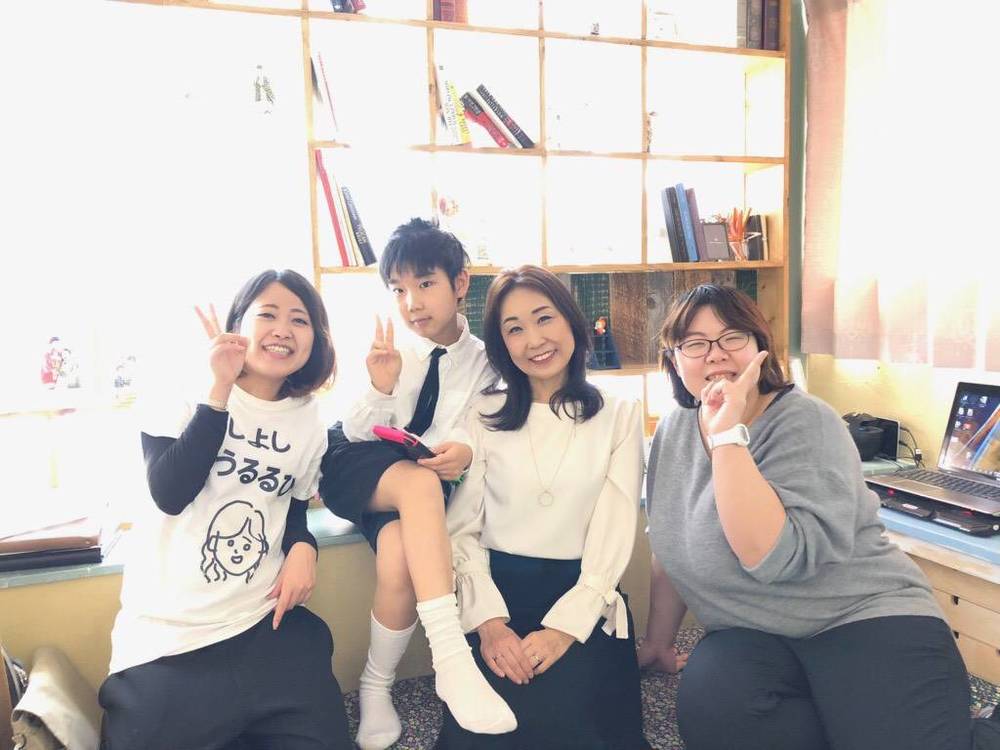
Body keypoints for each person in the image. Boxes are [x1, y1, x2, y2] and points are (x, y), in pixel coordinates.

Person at [641, 283, 1000, 750]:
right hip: (751, 636)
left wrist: (727, 436)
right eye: (694, 343)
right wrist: (658, 643)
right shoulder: (674, 429)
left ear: (760, 348)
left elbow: (773, 558)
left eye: (732, 336)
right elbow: (670, 545)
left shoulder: (806, 420)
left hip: (860, 616)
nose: (715, 353)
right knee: (717, 720)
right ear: (674, 361)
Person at [100, 269, 352, 750]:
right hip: (168, 638)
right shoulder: (179, 388)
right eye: (268, 315)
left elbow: (292, 505)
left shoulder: (308, 418)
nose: (283, 330)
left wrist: (304, 546)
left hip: (261, 624)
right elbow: (170, 492)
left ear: (316, 339)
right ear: (238, 324)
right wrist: (217, 391)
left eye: (299, 320)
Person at [319, 218, 515, 749]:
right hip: (356, 463)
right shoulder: (389, 349)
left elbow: (484, 428)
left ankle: (374, 686)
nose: (411, 303)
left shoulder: (486, 362)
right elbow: (355, 430)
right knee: (419, 488)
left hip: (422, 476)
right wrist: (381, 388)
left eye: (425, 284)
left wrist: (466, 451)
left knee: (398, 559)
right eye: (398, 289)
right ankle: (452, 659)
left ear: (460, 282)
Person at [437, 264, 649, 749]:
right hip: (495, 597)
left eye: (544, 318)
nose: (534, 340)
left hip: (584, 597)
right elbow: (464, 528)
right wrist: (490, 626)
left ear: (571, 319)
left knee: (571, 726)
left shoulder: (619, 414)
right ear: (502, 345)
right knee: (486, 729)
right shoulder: (483, 414)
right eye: (515, 329)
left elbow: (615, 528)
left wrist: (563, 631)